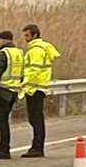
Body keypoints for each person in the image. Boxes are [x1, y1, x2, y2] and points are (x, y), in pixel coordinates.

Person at [21, 23, 61, 158]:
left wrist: (23, 82)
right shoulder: (41, 48)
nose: (25, 38)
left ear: (35, 35)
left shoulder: (36, 50)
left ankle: (37, 147)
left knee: (35, 119)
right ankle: (37, 146)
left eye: (27, 35)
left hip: (34, 88)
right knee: (37, 118)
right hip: (39, 87)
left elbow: (34, 70)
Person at [0, 30, 24, 159]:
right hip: (13, 91)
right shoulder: (19, 52)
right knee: (5, 121)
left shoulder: (3, 53)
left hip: (1, 91)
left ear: (3, 39)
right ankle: (4, 148)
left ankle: (4, 149)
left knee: (2, 122)